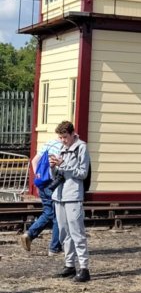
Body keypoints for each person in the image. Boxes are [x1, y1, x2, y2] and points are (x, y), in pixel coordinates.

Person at [50, 120, 91, 283]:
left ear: (73, 134)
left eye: (65, 137)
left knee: (77, 232)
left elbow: (83, 173)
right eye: (60, 137)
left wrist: (64, 164)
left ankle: (84, 268)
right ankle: (69, 265)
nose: (62, 140)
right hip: (59, 195)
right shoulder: (61, 148)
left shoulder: (81, 147)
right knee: (63, 232)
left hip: (73, 194)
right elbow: (57, 174)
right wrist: (53, 166)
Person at [20, 139, 63, 256]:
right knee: (57, 217)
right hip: (52, 184)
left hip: (42, 183)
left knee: (48, 213)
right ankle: (55, 248)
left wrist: (39, 177)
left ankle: (29, 234)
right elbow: (61, 169)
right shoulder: (63, 147)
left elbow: (34, 161)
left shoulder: (49, 143)